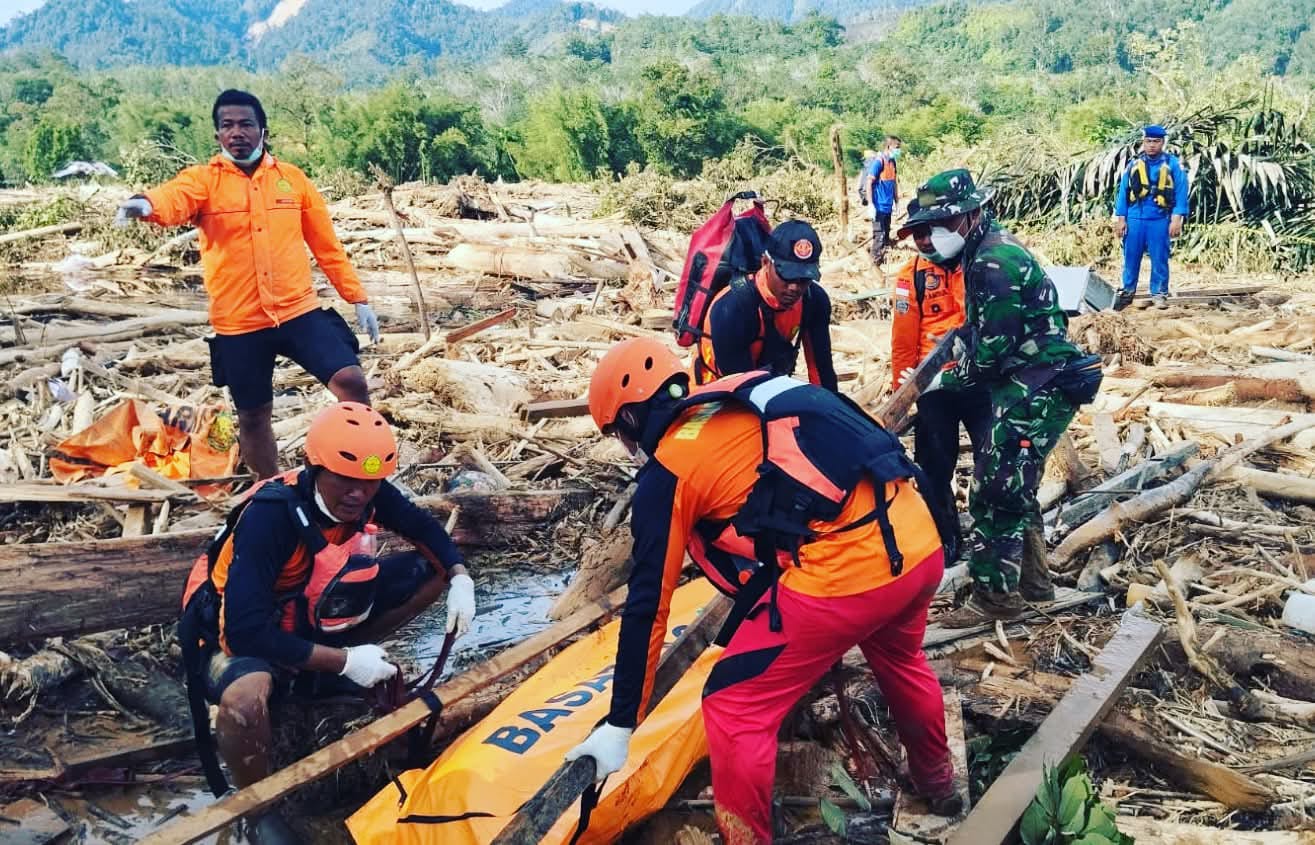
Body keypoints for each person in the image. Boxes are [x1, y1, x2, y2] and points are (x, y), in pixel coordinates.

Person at [566, 338, 960, 844]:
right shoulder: (734, 404)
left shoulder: (669, 472)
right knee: (901, 661)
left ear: (631, 418)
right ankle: (937, 782)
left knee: (734, 706)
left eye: (620, 433)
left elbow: (647, 605)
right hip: (917, 541)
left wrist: (622, 723)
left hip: (850, 572)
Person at [177, 402, 476, 843]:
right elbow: (243, 631)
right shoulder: (271, 517)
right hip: (234, 633)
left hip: (306, 614)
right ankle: (258, 809)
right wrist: (345, 662)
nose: (357, 494)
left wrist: (461, 577)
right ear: (314, 467)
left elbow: (425, 529)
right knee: (245, 698)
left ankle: (327, 668)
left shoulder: (371, 494)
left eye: (369, 482)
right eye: (344, 479)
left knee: (431, 570)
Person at [116, 89, 381, 479]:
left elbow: (326, 244)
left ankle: (360, 472)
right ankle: (271, 489)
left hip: (298, 311)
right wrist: (147, 204)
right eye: (227, 125)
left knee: (351, 382)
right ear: (217, 134)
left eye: (245, 124)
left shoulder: (292, 179)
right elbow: (174, 198)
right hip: (239, 323)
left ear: (263, 131)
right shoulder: (204, 181)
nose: (236, 132)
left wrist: (356, 297)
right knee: (254, 416)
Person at [892, 169, 1101, 626]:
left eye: (939, 225)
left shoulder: (992, 263)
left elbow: (991, 355)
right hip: (1029, 381)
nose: (930, 238)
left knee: (994, 491)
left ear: (969, 216)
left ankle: (995, 599)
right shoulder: (981, 251)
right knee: (1015, 487)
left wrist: (940, 382)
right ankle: (1034, 586)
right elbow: (981, 329)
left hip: (1036, 386)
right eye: (924, 230)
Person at [888, 250, 991, 563]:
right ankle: (945, 540)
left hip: (978, 378)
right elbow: (903, 340)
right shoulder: (912, 275)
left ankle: (990, 535)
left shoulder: (979, 261)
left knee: (993, 457)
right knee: (934, 466)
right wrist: (903, 395)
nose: (924, 240)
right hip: (933, 384)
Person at [695, 220, 838, 391]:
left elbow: (822, 372)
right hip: (714, 393)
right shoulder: (731, 310)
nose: (794, 287)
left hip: (768, 386)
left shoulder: (814, 300)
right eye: (786, 276)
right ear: (765, 262)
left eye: (804, 279)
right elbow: (739, 389)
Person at [1114, 124, 1189, 310]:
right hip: (1135, 218)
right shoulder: (1133, 164)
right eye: (1148, 141)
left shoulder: (1172, 164)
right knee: (1130, 257)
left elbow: (1181, 191)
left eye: (1156, 141)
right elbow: (1123, 192)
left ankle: (1159, 294)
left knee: (1159, 258)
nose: (1152, 145)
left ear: (1162, 143)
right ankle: (1127, 292)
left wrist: (1177, 218)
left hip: (1160, 219)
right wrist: (1121, 219)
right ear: (1143, 142)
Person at [863, 135, 902, 267]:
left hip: (888, 206)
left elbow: (894, 182)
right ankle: (874, 264)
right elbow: (869, 182)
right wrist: (870, 204)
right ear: (889, 146)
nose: (899, 150)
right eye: (897, 147)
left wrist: (897, 201)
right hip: (878, 206)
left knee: (886, 234)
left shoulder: (892, 162)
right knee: (879, 236)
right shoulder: (879, 162)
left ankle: (884, 262)